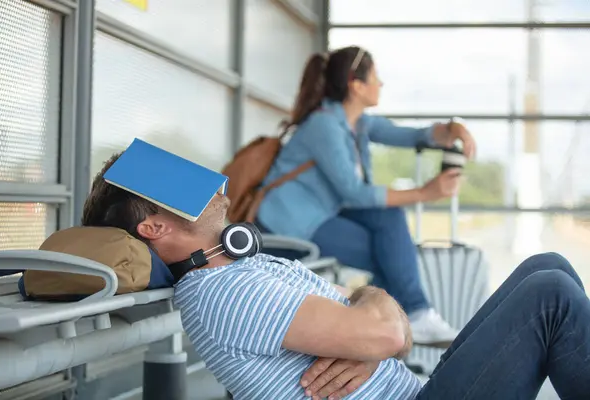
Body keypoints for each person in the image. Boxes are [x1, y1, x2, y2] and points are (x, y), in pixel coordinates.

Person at [82, 153, 590, 400]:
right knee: (551, 294)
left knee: (546, 267)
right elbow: (392, 332)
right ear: (154, 226)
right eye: (176, 186)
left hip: (418, 389)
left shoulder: (243, 267)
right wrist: (375, 334)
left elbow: (392, 331)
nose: (211, 183)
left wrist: (373, 333)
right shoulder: (226, 292)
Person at [254, 46, 477, 346]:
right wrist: (425, 193)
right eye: (375, 77)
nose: (381, 83)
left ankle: (397, 321)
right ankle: (398, 319)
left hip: (325, 211)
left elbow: (412, 136)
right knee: (391, 257)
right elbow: (354, 192)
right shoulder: (324, 125)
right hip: (288, 224)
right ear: (356, 86)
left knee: (391, 226)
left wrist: (454, 128)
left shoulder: (358, 123)